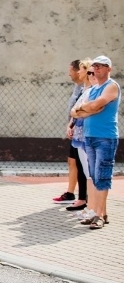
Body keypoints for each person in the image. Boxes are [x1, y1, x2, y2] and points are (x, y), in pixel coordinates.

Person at [70, 55, 120, 229]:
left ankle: (99, 216)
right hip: (90, 136)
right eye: (95, 66)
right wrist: (87, 109)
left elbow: (92, 106)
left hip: (105, 137)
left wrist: (85, 109)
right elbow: (74, 112)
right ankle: (101, 213)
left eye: (101, 66)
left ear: (109, 69)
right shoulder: (92, 89)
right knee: (94, 175)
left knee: (102, 175)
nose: (97, 69)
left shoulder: (111, 86)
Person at [58, 59, 88, 207]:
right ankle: (71, 193)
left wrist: (74, 123)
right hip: (75, 131)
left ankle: (84, 198)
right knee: (73, 162)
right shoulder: (78, 87)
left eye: (71, 70)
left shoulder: (88, 89)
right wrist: (70, 125)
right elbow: (74, 111)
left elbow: (80, 110)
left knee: (83, 165)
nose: (69, 73)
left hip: (82, 132)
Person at [69, 59, 96, 219]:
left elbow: (85, 110)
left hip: (87, 134)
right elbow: (74, 111)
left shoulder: (93, 90)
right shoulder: (83, 90)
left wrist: (78, 111)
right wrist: (73, 120)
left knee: (90, 172)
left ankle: (92, 207)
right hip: (79, 133)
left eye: (82, 69)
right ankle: (89, 206)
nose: (79, 72)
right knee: (84, 169)